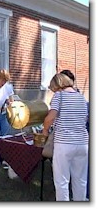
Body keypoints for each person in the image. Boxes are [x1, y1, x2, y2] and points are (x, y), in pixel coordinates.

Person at [42, 73, 88, 201]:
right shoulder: (81, 97)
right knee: (80, 180)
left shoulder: (59, 96)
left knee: (61, 181)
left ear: (57, 86)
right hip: (82, 142)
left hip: (64, 143)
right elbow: (84, 118)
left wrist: (45, 130)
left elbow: (50, 118)